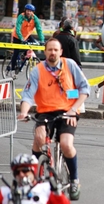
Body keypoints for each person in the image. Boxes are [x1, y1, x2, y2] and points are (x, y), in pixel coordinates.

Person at [17, 38, 90, 200]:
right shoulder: (38, 70)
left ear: (61, 52)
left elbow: (84, 89)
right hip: (46, 112)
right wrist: (23, 112)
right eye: (50, 50)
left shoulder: (70, 65)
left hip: (68, 111)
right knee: (39, 138)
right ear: (45, 51)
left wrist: (73, 109)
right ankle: (32, 176)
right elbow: (28, 95)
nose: (52, 53)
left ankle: (74, 180)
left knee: (65, 143)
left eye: (56, 50)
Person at [0, 154, 70, 203]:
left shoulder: (46, 189)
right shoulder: (5, 192)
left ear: (34, 172)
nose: (21, 174)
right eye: (17, 172)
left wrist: (57, 194)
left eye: (25, 170)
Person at [11, 4, 45, 78]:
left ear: (33, 12)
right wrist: (21, 38)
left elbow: (39, 30)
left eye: (30, 11)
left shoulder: (35, 18)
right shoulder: (21, 17)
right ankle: (13, 69)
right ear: (25, 10)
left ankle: (24, 56)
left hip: (27, 36)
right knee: (16, 52)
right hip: (17, 36)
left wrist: (42, 40)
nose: (29, 12)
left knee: (33, 44)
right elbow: (18, 29)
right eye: (27, 11)